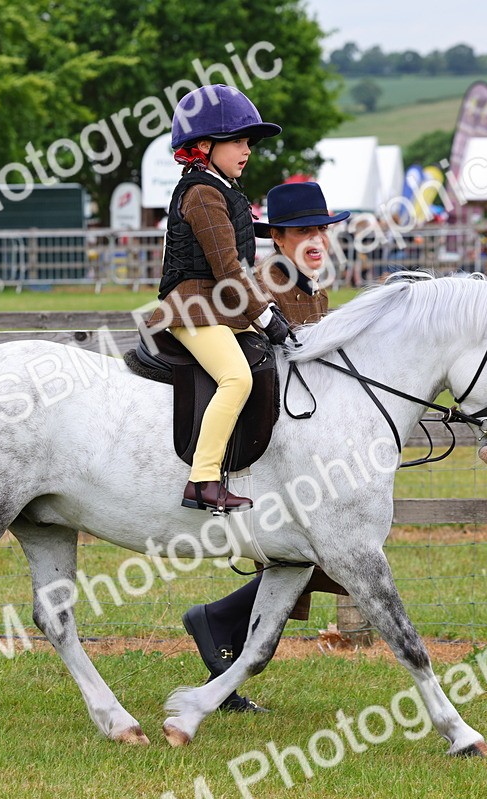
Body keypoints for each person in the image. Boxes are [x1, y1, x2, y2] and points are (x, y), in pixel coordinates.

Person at [182, 180, 352, 713]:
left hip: (303, 431)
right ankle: (223, 628)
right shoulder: (266, 285)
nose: (316, 238)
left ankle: (222, 627)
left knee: (311, 561)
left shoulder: (312, 284)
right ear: (276, 237)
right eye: (304, 230)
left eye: (321, 229)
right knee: (319, 556)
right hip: (271, 435)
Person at [143, 84, 286, 513]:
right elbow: (229, 270)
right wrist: (268, 317)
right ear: (204, 146)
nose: (246, 150)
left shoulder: (222, 187)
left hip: (216, 306)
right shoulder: (203, 193)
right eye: (238, 141)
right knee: (236, 378)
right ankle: (202, 480)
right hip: (193, 308)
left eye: (248, 143)